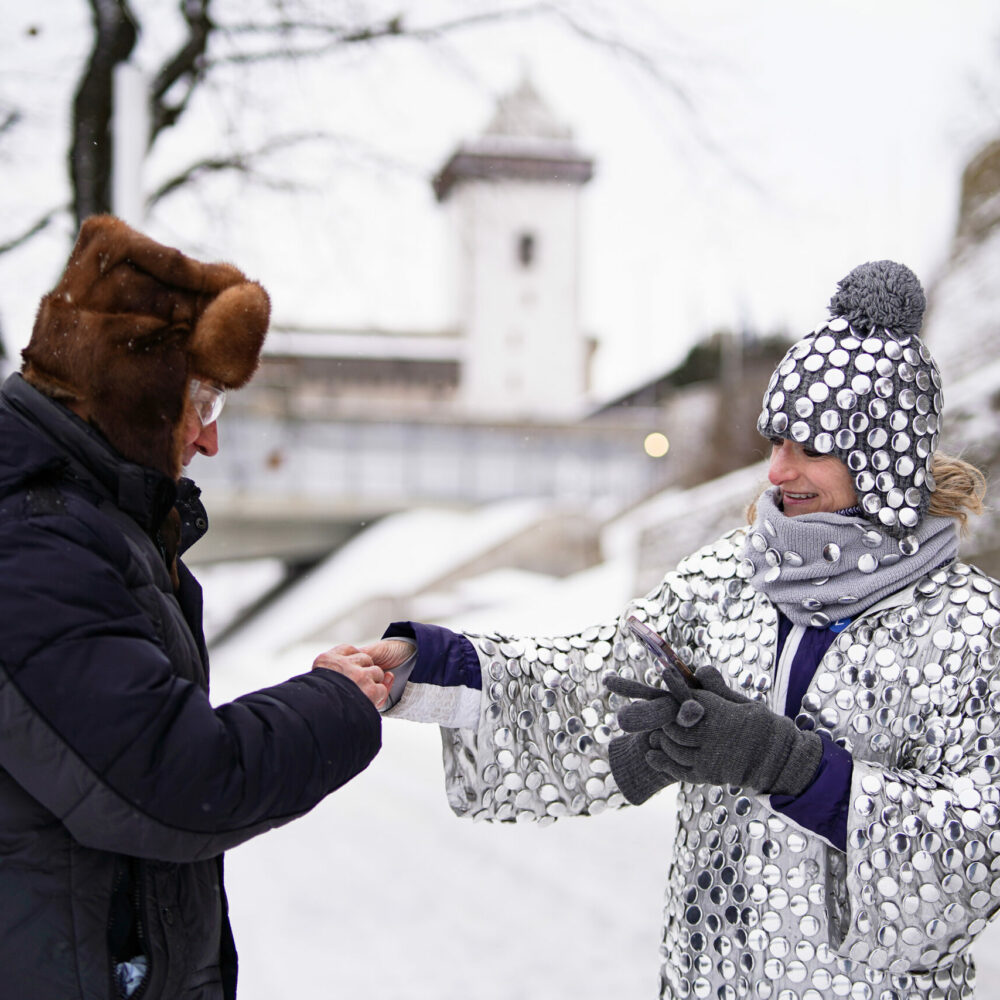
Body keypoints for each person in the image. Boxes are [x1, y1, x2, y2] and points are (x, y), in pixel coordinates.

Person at [365, 260, 999, 1000]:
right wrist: (439, 668)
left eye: (810, 448)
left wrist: (791, 767)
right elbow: (603, 681)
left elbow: (977, 850)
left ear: (884, 459)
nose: (776, 471)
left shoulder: (971, 629)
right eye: (775, 441)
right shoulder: (733, 575)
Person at [0, 215, 392, 1000]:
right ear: (133, 392)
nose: (210, 441)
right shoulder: (36, 545)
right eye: (202, 402)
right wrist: (337, 705)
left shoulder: (87, 528)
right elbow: (172, 780)